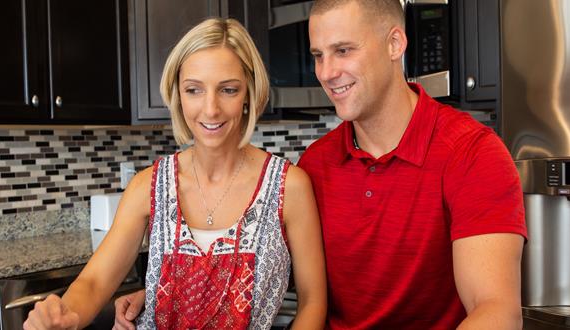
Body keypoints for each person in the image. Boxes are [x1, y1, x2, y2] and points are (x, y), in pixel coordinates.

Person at [116, 0, 527, 329]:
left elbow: (496, 311)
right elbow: (276, 281)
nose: (327, 73)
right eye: (318, 55)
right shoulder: (315, 165)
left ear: (394, 44)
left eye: (343, 50)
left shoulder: (473, 154)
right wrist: (162, 296)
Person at [23, 18, 327, 330]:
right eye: (194, 90)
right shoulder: (148, 186)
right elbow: (94, 281)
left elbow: (313, 300)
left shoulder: (289, 187)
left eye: (228, 90)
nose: (210, 109)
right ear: (178, 95)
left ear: (249, 93)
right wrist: (65, 315)